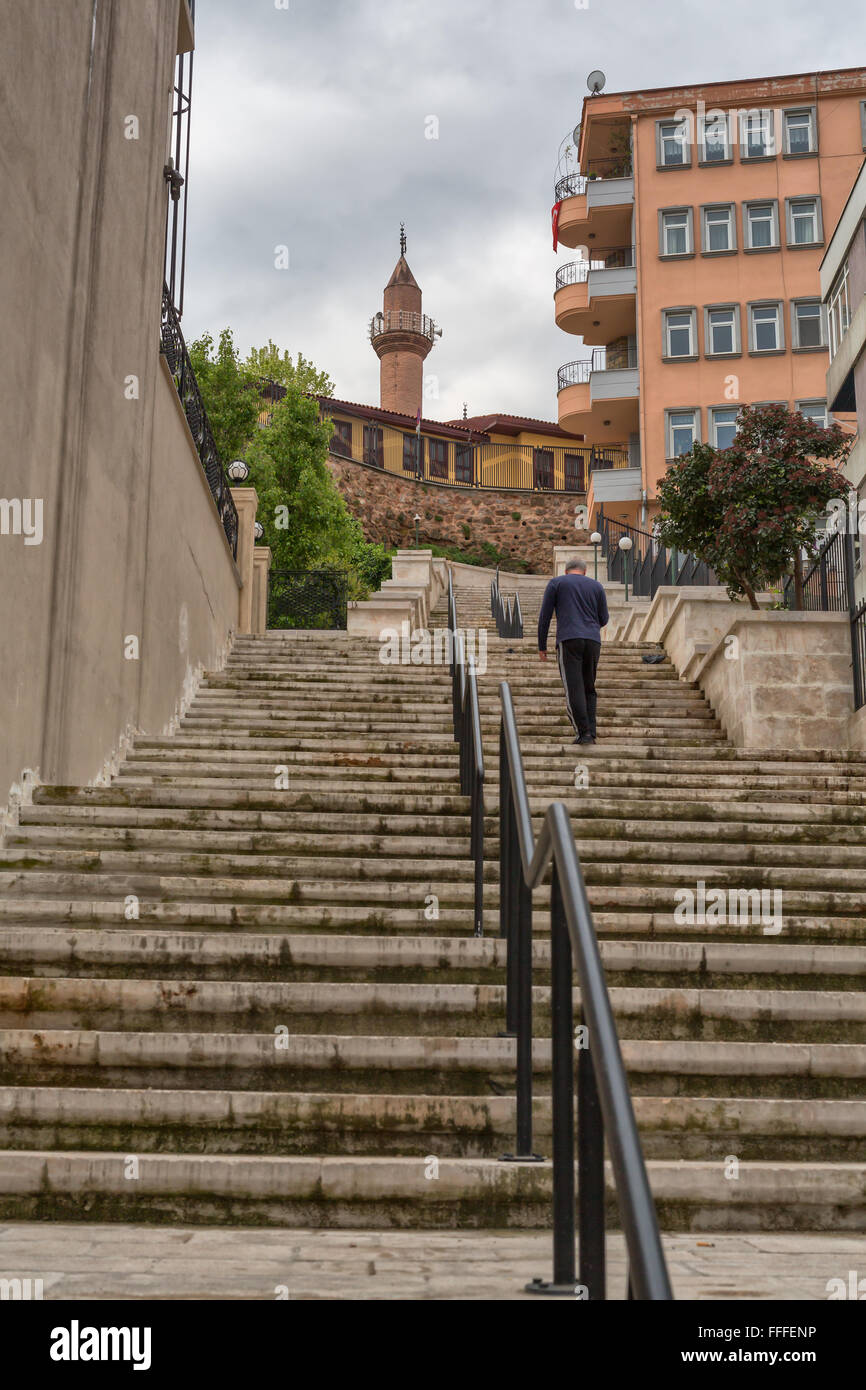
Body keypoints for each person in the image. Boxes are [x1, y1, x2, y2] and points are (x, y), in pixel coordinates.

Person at [537, 558, 609, 744]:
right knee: (589, 687)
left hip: (569, 639)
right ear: (584, 572)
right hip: (593, 640)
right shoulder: (596, 586)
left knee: (573, 687)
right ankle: (591, 732)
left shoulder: (557, 583)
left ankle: (582, 732)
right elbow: (604, 618)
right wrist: (590, 627)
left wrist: (542, 645)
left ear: (566, 570)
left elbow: (545, 616)